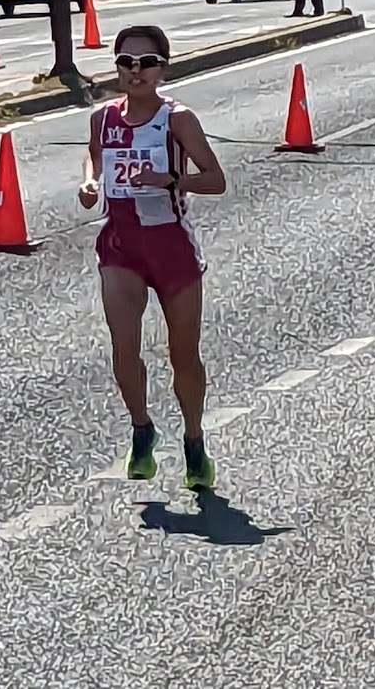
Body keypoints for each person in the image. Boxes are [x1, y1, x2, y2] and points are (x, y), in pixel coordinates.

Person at [78, 25, 227, 489]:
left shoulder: (177, 119)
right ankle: (142, 429)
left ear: (163, 68)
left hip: (171, 246)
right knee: (124, 346)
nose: (134, 71)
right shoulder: (103, 118)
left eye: (145, 63)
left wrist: (169, 181)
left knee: (183, 354)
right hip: (121, 245)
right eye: (125, 61)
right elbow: (95, 159)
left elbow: (215, 179)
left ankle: (194, 442)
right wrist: (88, 182)